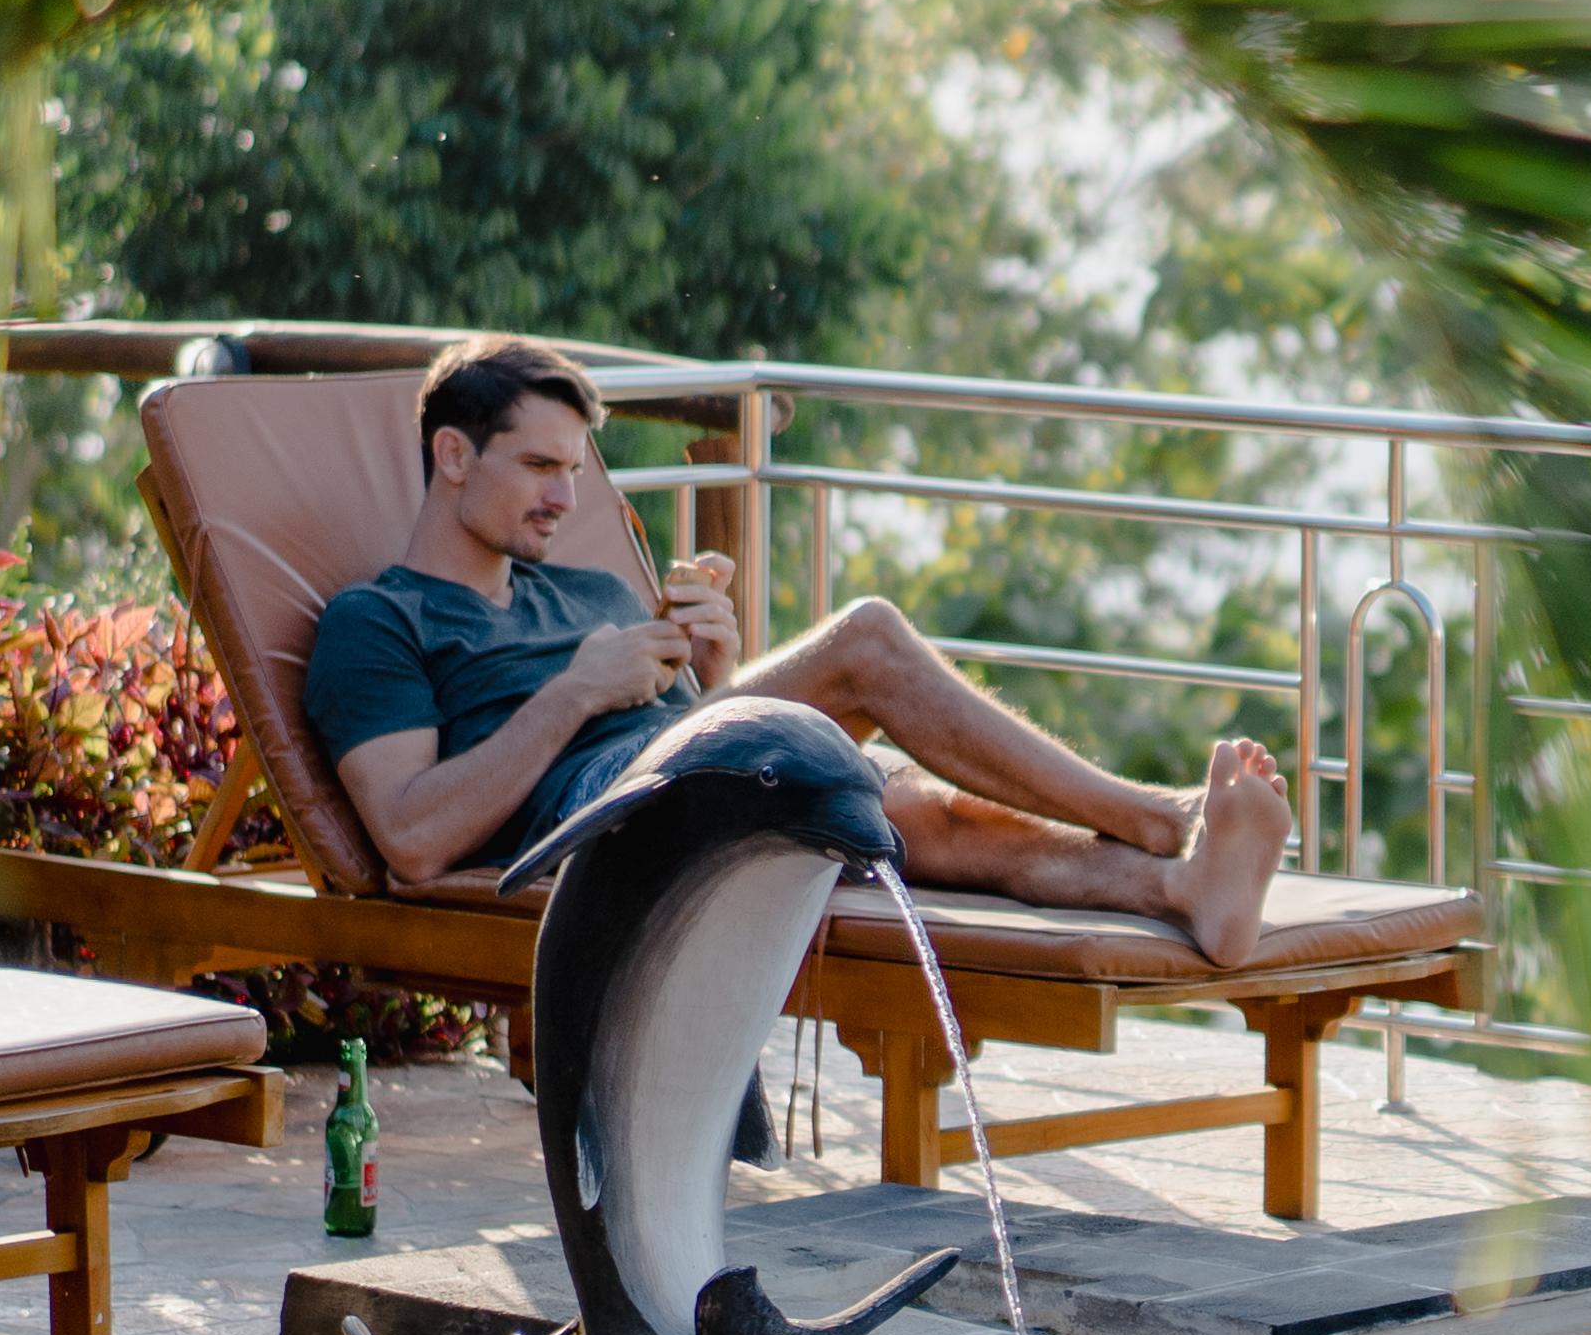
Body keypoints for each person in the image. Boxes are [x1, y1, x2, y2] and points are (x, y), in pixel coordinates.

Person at [300, 336, 1292, 952]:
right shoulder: (376, 622)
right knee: (864, 639)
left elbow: (669, 720)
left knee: (919, 812)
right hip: (601, 828)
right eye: (540, 467)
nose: (567, 497)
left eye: (575, 469)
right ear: (452, 453)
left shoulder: (590, 586)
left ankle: (1179, 886)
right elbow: (414, 843)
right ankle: (1159, 815)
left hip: (679, 778)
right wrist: (573, 691)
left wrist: (711, 672)